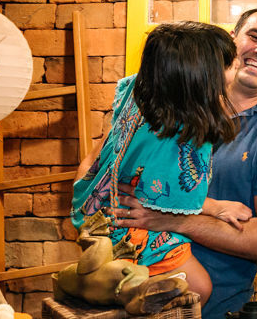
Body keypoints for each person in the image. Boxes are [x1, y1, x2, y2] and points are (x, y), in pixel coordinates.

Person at [115, 7, 257, 319]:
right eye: (255, 36)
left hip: (202, 316)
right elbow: (97, 163)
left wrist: (173, 218)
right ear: (232, 40)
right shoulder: (175, 98)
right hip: (121, 291)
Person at [72, 21, 237, 302]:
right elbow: (170, 199)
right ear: (203, 77)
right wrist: (218, 208)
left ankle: (115, 280)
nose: (236, 69)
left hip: (92, 210)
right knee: (199, 287)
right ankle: (126, 288)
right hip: (124, 224)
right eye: (229, 65)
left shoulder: (139, 95)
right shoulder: (181, 133)